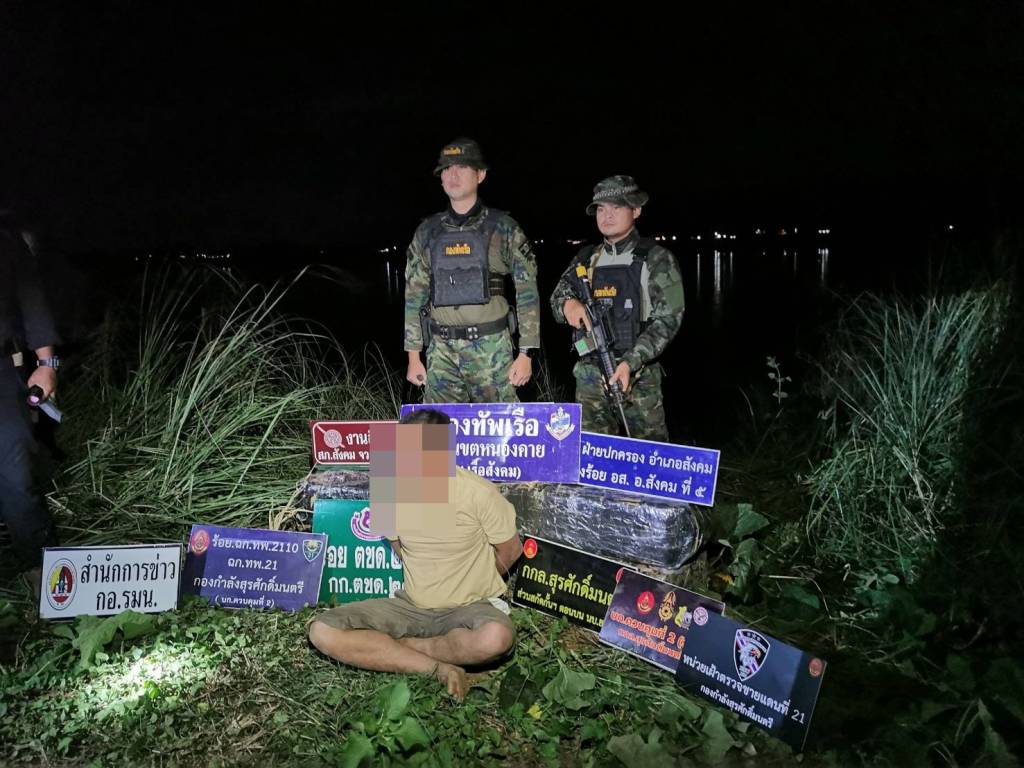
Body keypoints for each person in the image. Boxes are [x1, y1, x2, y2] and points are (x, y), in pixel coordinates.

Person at [308, 409, 522, 701]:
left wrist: (477, 582)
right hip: (411, 606)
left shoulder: (478, 493)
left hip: (470, 606)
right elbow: (396, 543)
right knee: (322, 632)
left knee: (496, 638)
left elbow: (511, 550)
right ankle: (438, 668)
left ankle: (407, 648)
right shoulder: (390, 487)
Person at [404, 138, 540, 403]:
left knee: (500, 426)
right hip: (440, 353)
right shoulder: (427, 232)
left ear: (480, 174)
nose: (452, 175)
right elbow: (413, 296)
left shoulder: (504, 228)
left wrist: (526, 353)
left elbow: (527, 293)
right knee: (435, 426)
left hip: (492, 350)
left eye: (462, 167)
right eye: (446, 169)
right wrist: (413, 356)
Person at [549, 175, 684, 441]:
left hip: (638, 377)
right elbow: (557, 297)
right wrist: (568, 304)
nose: (607, 215)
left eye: (616, 207)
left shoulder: (658, 258)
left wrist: (631, 362)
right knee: (591, 452)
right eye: (601, 209)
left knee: (649, 455)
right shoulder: (586, 258)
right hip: (590, 377)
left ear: (636, 210)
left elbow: (669, 319)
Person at [0, 212, 60, 586]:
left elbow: (32, 300)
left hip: (2, 374)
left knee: (16, 473)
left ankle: (43, 576)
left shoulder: (6, 241)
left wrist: (47, 363)